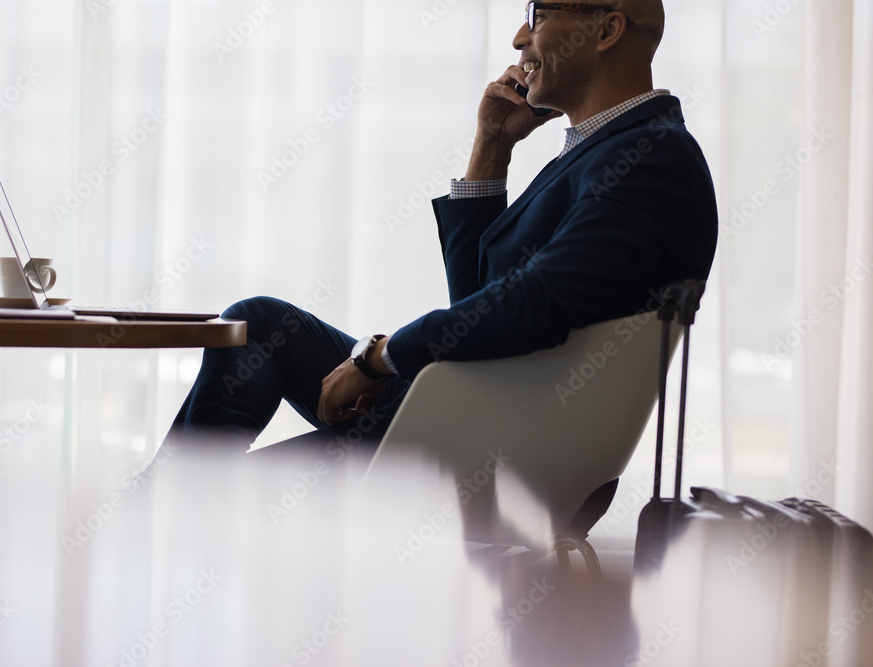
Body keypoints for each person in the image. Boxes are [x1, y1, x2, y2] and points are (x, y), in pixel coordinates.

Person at [167, 0, 718, 460]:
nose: (519, 37)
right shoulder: (606, 150)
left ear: (607, 30)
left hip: (486, 447)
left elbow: (539, 302)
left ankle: (157, 521)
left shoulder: (649, 157)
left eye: (539, 12)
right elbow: (482, 303)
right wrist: (492, 146)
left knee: (208, 494)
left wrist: (379, 358)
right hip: (459, 411)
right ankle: (161, 514)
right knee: (258, 322)